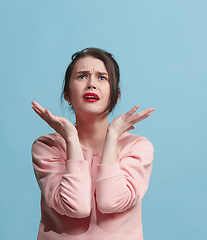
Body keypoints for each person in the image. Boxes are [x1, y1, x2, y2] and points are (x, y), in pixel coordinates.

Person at [31, 48, 155, 240]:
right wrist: (71, 138)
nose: (91, 85)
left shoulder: (137, 147)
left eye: (102, 78)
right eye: (82, 77)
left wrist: (113, 136)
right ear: (67, 94)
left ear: (116, 95)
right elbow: (76, 206)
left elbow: (111, 202)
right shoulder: (48, 146)